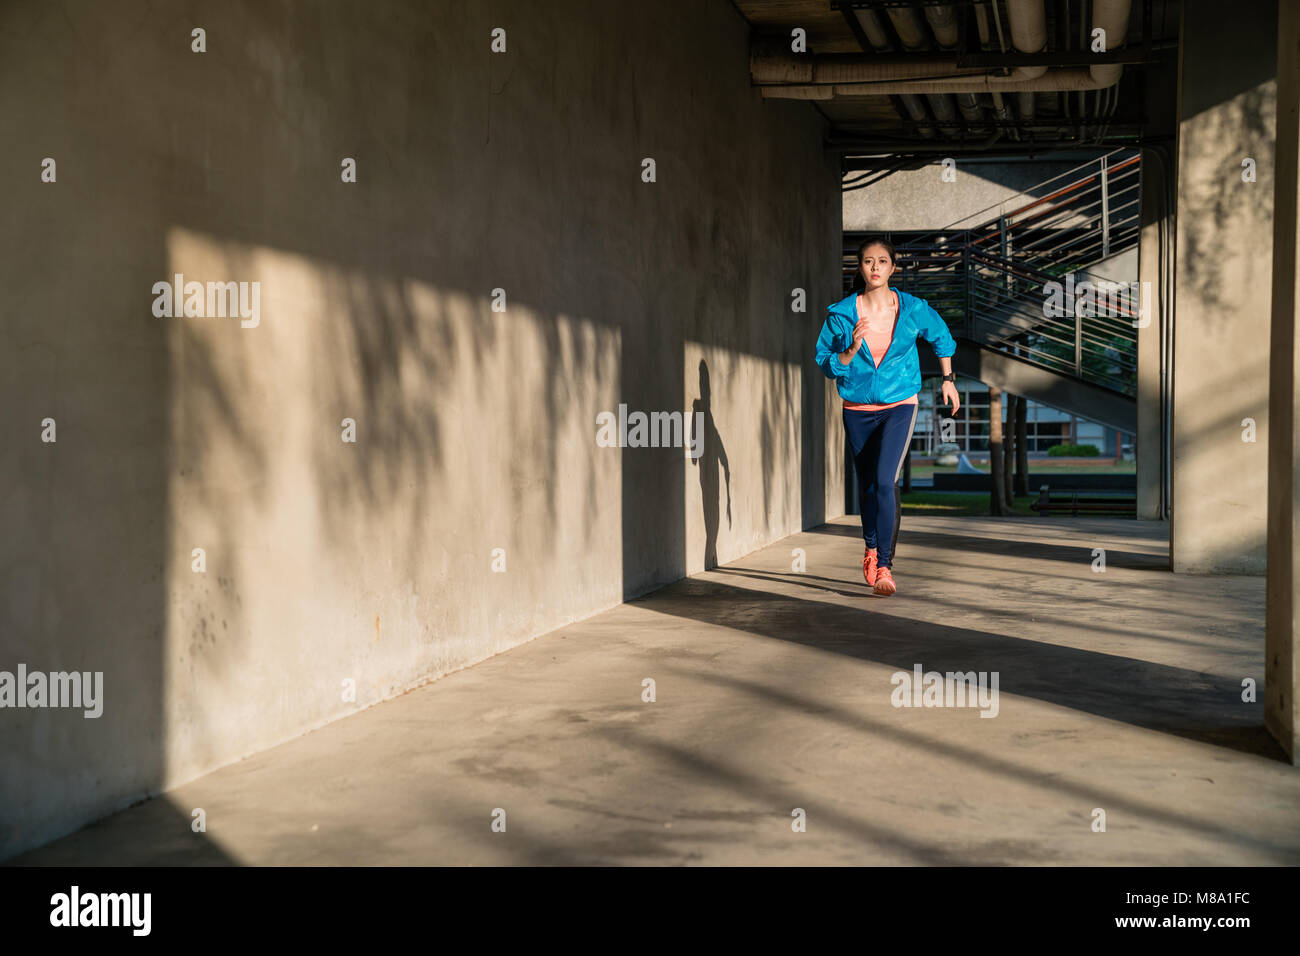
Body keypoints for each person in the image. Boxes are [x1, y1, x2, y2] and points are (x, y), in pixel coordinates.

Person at [814, 238, 960, 596]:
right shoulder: (842, 315)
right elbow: (825, 363)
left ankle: (884, 566)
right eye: (868, 261)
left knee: (884, 481)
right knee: (867, 485)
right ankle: (870, 545)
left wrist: (948, 379)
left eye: (882, 261)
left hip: (900, 404)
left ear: (893, 267)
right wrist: (848, 351)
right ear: (860, 268)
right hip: (858, 410)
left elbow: (941, 336)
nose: (875, 267)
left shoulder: (911, 309)